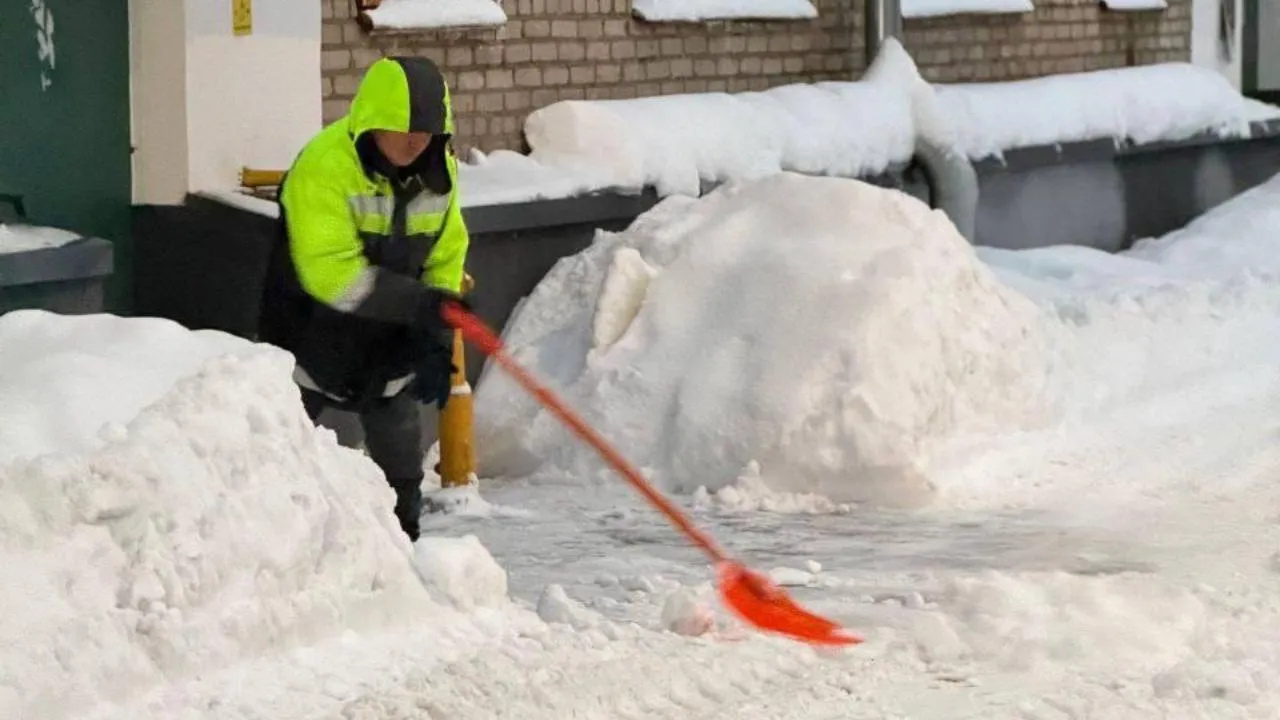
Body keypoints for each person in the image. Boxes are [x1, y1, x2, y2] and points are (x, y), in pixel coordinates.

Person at [258, 56, 470, 542]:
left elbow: (446, 254)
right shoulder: (324, 166)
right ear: (371, 121)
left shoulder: (440, 173)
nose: (415, 140)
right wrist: (418, 303)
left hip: (386, 341)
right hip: (306, 335)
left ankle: (403, 549)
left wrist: (436, 339)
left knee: (400, 459)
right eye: (401, 128)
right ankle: (270, 554)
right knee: (275, 455)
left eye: (427, 131)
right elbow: (332, 275)